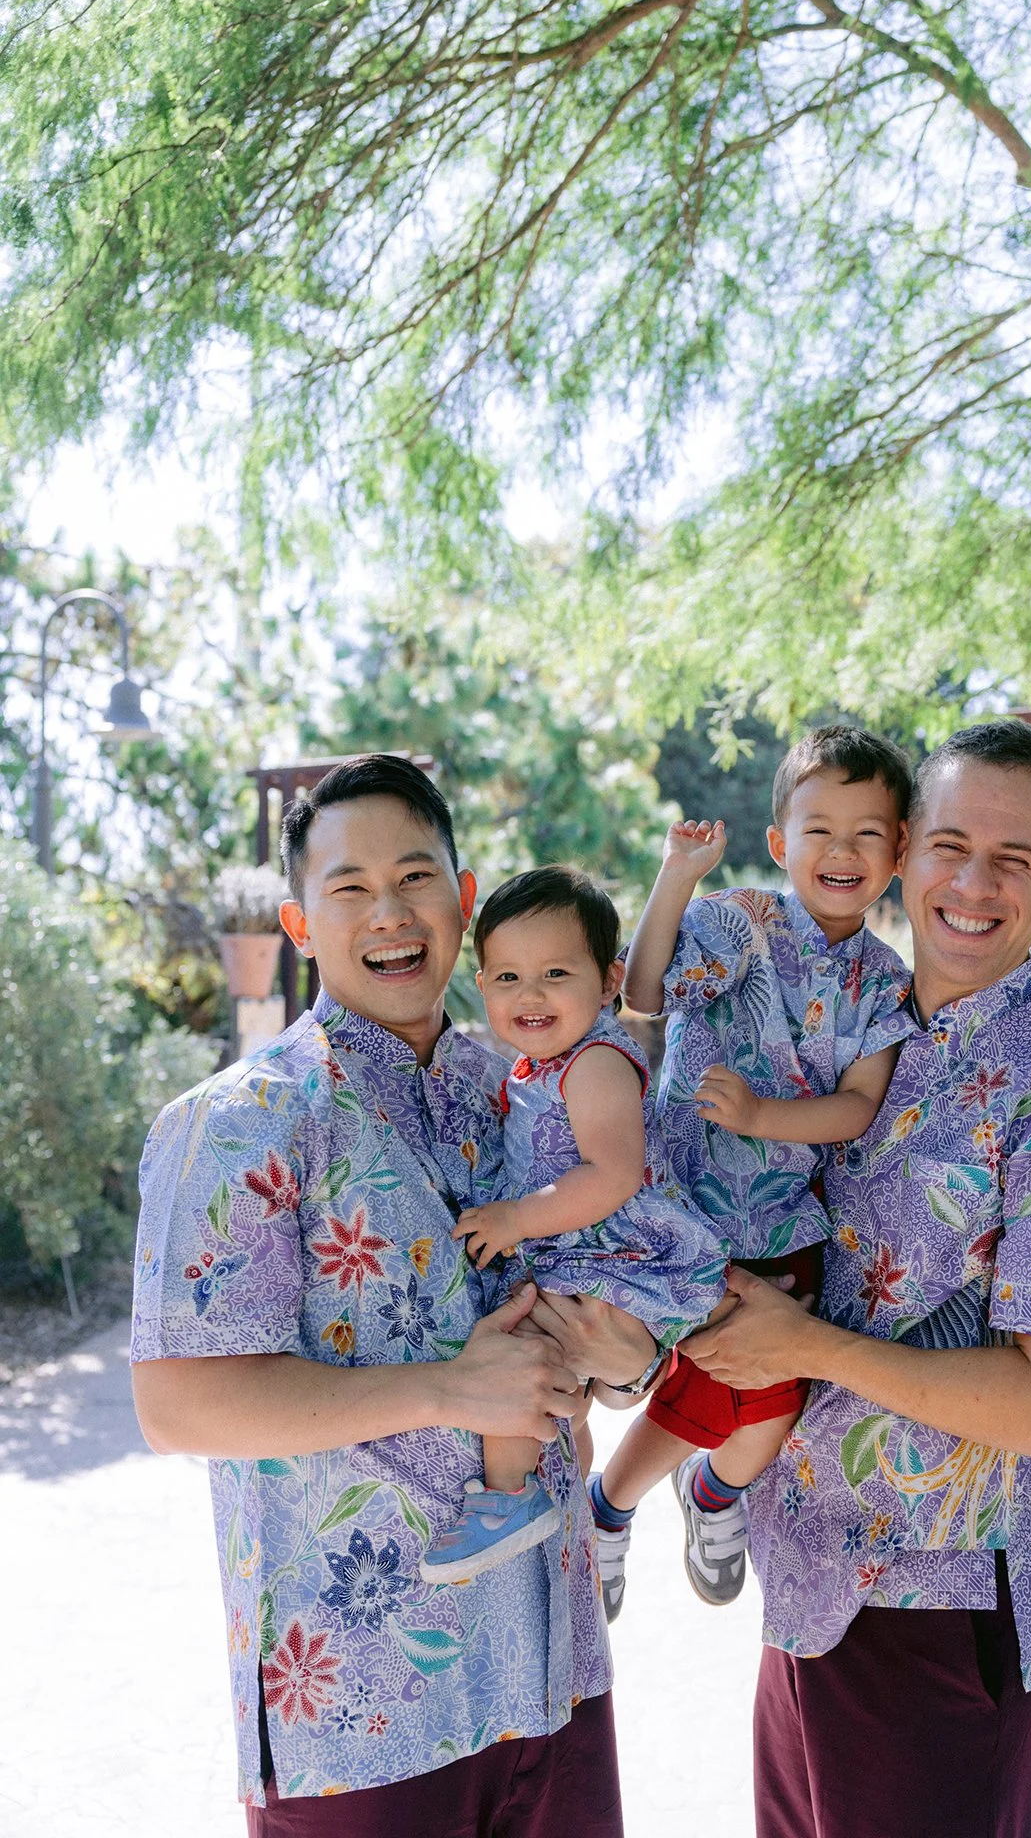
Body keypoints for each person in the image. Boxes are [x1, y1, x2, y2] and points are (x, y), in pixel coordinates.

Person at [130, 755, 659, 1835]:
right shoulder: (238, 1121)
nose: (390, 913)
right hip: (362, 1720)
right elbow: (178, 1404)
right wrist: (444, 1391)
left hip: (550, 1675)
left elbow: (596, 1299)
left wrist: (625, 1357)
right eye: (350, 888)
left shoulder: (524, 1088)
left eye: (416, 878)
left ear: (464, 903)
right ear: (298, 923)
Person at [681, 720, 1031, 1838]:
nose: (971, 883)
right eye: (948, 845)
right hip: (810, 1591)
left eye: (1011, 859)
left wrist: (802, 1348)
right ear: (902, 855)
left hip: (947, 1614)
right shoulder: (847, 1040)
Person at [590, 726, 917, 1617]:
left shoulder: (886, 982)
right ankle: (609, 1508)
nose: (841, 851)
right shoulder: (742, 924)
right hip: (686, 1209)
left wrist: (767, 1117)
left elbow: (857, 1105)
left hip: (783, 1221)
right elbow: (644, 992)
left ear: (898, 854)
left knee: (776, 1406)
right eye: (819, 830)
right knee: (710, 1378)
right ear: (781, 843)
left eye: (866, 834)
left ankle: (708, 1495)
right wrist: (678, 879)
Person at [420, 865, 725, 1581]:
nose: (530, 995)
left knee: (515, 1350)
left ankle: (507, 1498)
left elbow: (612, 1174)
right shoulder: (534, 1067)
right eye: (506, 978)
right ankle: (570, 1488)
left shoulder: (594, 1062)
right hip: (580, 1250)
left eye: (556, 972)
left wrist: (517, 1219)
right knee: (560, 1385)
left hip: (615, 1256)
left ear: (611, 978)